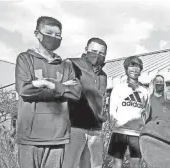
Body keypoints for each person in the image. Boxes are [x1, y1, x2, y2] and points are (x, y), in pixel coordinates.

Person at [14, 16, 82, 168]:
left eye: (58, 35)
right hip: (29, 136)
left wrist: (46, 84)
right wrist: (61, 88)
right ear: (37, 34)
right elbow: (24, 89)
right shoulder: (25, 59)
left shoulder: (66, 66)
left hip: (57, 135)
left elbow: (76, 93)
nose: (54, 38)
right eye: (49, 33)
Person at [63, 37, 108, 168]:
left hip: (95, 130)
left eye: (101, 53)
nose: (97, 55)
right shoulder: (72, 64)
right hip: (74, 127)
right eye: (94, 51)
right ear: (86, 50)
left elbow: (101, 98)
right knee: (69, 165)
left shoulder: (103, 75)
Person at [108, 56, 149, 168]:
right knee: (117, 164)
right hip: (120, 131)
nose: (134, 69)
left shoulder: (145, 90)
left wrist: (143, 127)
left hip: (136, 132)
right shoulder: (119, 88)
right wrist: (113, 124)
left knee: (135, 164)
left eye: (138, 67)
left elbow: (147, 111)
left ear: (141, 70)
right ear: (126, 69)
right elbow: (112, 108)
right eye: (131, 66)